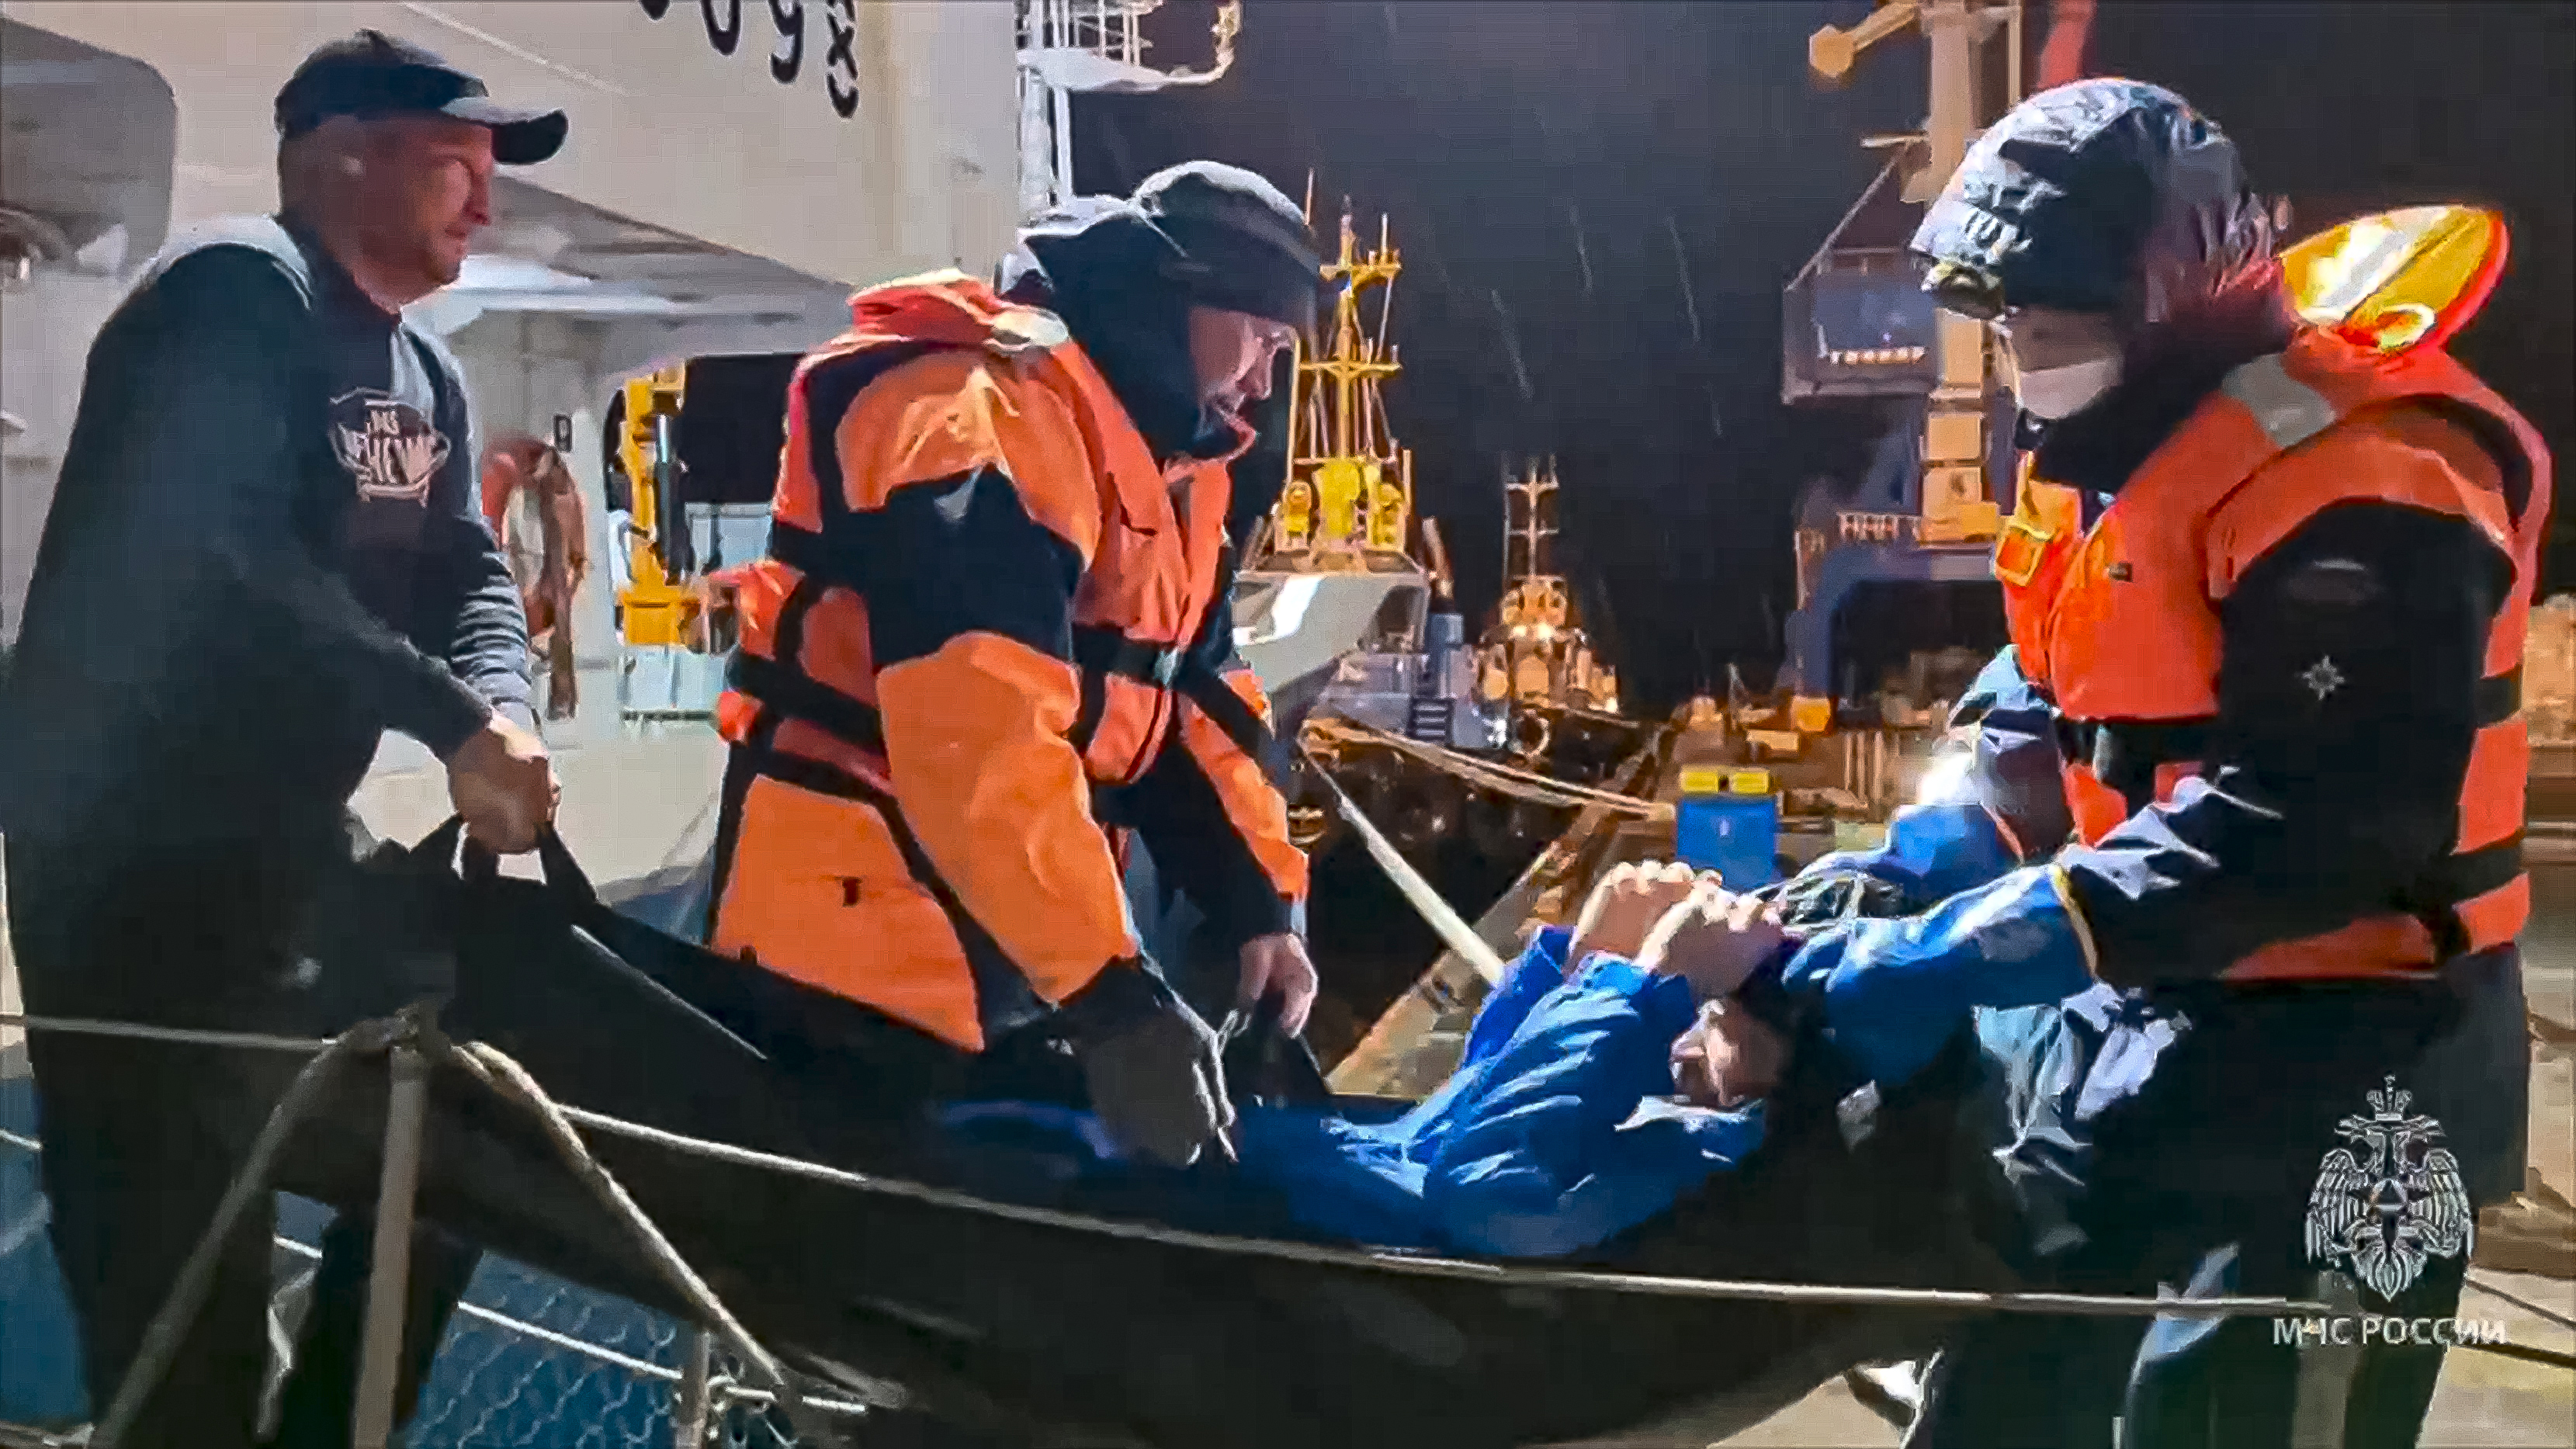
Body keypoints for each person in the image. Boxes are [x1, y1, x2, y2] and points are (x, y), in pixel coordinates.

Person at [1729, 78, 2545, 1449]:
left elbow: (2321, 818)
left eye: (2050, 324)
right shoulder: (2106, 459)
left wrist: (1972, 948)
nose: (2019, 356)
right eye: (2004, 326)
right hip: (2147, 1028)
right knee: (2004, 1387)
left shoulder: (2369, 478)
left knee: (2248, 1420)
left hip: (2362, 1068)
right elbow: (2044, 716)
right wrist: (1917, 866)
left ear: (2169, 294)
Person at [0, 31, 569, 1447]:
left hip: (284, 851)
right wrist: (444, 719)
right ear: (342, 154)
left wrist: (498, 701)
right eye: (457, 167)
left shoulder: (426, 372)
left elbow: (467, 570)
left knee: (473, 1135)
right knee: (177, 1267)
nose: (484, 209)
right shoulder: (233, 293)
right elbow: (221, 560)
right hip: (129, 863)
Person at [706, 163, 1323, 1167]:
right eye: (1261, 337)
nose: (1261, 380)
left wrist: (1261, 909)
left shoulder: (1167, 465)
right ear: (1182, 296)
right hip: (848, 957)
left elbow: (1192, 702)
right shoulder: (971, 415)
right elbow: (973, 729)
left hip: (1001, 941)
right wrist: (1114, 996)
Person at [941, 862, 1791, 1260]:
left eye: (1720, 1003)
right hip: (1095, 1140)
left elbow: (1483, 1194)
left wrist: (1640, 986)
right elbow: (1436, 1140)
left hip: (1067, 1195)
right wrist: (1573, 974)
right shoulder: (1663, 1113)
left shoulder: (1706, 1149)